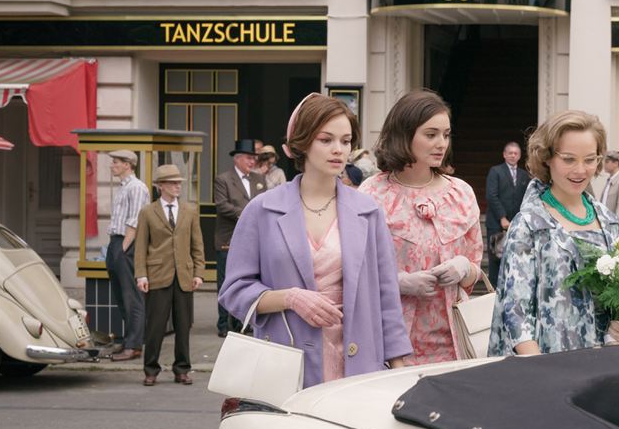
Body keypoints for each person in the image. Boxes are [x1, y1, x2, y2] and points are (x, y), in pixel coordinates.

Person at [219, 94, 411, 388]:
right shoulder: (262, 210)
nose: (338, 150)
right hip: (287, 365)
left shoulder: (368, 211)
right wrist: (290, 298)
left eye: (346, 141)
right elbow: (234, 290)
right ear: (303, 143)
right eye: (326, 140)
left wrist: (399, 373)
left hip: (359, 367)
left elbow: (387, 299)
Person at [488, 110, 619, 356]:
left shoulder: (608, 221)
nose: (580, 170)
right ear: (547, 158)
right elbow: (516, 314)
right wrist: (545, 374)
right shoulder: (529, 224)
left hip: (607, 367)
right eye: (568, 159)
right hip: (551, 370)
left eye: (589, 159)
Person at [360, 90, 483, 364]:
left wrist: (464, 267)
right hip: (392, 345)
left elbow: (475, 267)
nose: (441, 143)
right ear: (405, 135)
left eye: (446, 134)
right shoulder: (372, 194)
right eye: (431, 134)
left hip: (455, 341)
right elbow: (355, 274)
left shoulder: (461, 192)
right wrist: (400, 283)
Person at [134, 165, 204, 386]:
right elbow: (140, 246)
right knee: (155, 326)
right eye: (173, 182)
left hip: (183, 275)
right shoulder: (147, 212)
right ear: (160, 186)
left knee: (183, 326)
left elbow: (197, 244)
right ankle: (150, 370)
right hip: (157, 274)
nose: (178, 186)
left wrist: (199, 272)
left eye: (179, 182)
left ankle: (182, 369)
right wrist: (141, 275)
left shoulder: (190, 210)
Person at [214, 139, 266, 337]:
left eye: (254, 158)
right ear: (237, 159)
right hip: (229, 238)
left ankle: (243, 323)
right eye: (248, 158)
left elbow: (265, 203)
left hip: (254, 238)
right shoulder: (223, 179)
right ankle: (222, 324)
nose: (252, 162)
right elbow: (222, 205)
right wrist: (248, 213)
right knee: (226, 281)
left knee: (250, 280)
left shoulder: (258, 179)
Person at [106, 150, 150, 361]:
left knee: (132, 297)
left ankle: (134, 345)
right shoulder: (124, 187)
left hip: (126, 244)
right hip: (116, 242)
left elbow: (135, 220)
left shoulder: (137, 187)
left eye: (115, 162)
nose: (112, 165)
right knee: (121, 296)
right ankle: (129, 340)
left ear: (127, 164)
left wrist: (123, 248)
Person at [485, 141, 532, 287]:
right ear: (504, 155)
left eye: (515, 153)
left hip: (516, 224)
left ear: (519, 156)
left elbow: (526, 199)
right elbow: (491, 195)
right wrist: (502, 217)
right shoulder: (495, 171)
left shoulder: (524, 175)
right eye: (510, 153)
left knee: (514, 258)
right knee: (496, 259)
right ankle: (493, 292)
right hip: (496, 223)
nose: (512, 155)